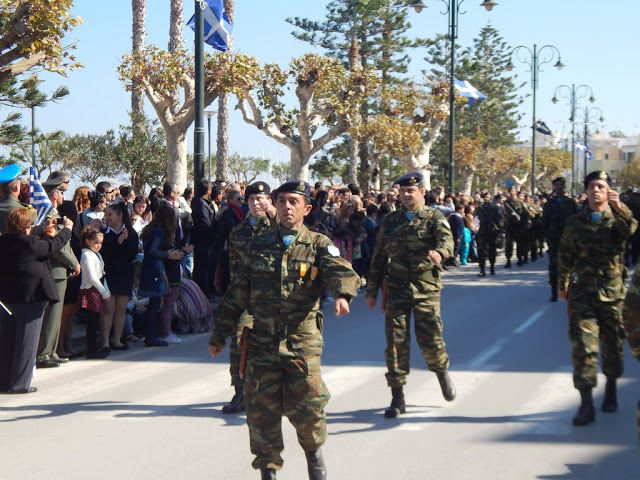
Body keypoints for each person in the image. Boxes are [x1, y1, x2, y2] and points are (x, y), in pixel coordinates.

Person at [208, 180, 360, 480]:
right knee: (260, 412)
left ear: (307, 208)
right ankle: (268, 469)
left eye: (293, 201)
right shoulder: (259, 244)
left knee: (309, 407)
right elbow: (238, 292)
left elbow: (341, 270)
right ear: (275, 206)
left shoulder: (318, 244)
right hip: (262, 342)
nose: (287, 207)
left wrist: (343, 294)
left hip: (302, 343)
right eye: (282, 201)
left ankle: (313, 456)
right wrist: (219, 333)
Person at [366, 172, 456, 419]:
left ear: (421, 193)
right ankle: (397, 396)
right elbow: (379, 257)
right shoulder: (391, 221)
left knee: (430, 339)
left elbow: (447, 241)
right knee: (395, 343)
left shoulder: (434, 218)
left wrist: (440, 252)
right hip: (396, 289)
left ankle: (441, 372)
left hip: (426, 289)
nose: (406, 195)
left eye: (411, 191)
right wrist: (372, 290)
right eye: (403, 191)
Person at [558, 171, 638, 426]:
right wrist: (562, 284)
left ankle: (612, 387)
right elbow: (565, 254)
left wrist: (620, 206)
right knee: (583, 347)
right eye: (592, 186)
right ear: (586, 191)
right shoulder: (575, 221)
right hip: (583, 294)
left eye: (601, 186)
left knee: (613, 346)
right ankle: (586, 404)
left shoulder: (618, 219)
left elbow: (630, 230)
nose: (596, 190)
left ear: (608, 191)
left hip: (614, 295)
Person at [0, 207, 73, 393]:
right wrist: (67, 229)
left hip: (9, 298)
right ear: (25, 227)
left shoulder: (4, 242)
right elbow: (53, 245)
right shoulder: (31, 244)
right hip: (31, 298)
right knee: (27, 341)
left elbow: (28, 236)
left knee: (7, 341)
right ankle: (20, 384)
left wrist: (43, 228)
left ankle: (5, 381)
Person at [221, 181, 278, 414]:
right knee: (238, 342)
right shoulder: (238, 231)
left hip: (272, 297)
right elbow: (233, 265)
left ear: (269, 201)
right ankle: (240, 391)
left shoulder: (278, 228)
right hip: (245, 296)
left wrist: (273, 214)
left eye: (261, 199)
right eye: (252, 199)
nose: (256, 204)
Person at [36, 177, 81, 368]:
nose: (63, 195)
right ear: (54, 194)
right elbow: (59, 247)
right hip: (55, 270)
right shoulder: (50, 216)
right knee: (52, 313)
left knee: (56, 314)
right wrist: (75, 264)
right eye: (61, 192)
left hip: (59, 271)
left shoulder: (53, 214)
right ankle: (44, 353)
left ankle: (51, 351)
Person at [138, 203, 185, 347]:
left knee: (155, 303)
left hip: (149, 267)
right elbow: (152, 251)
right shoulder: (159, 231)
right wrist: (168, 255)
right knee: (155, 303)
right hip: (155, 269)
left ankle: (150, 335)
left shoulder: (150, 229)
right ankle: (151, 336)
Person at [100, 202, 139, 351]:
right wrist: (118, 242)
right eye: (106, 214)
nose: (107, 217)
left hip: (124, 274)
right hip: (109, 275)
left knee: (121, 309)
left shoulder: (131, 233)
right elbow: (104, 253)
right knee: (109, 309)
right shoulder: (104, 233)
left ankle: (117, 340)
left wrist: (125, 240)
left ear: (120, 215)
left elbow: (132, 253)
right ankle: (105, 342)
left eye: (110, 214)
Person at [77, 226, 111, 359]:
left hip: (96, 289)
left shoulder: (94, 254)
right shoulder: (86, 255)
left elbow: (102, 273)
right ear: (87, 241)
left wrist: (104, 290)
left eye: (101, 243)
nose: (99, 246)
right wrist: (104, 292)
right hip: (91, 290)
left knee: (94, 320)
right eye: (96, 242)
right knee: (92, 321)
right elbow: (92, 277)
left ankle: (93, 349)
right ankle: (91, 351)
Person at [543, 177, 577, 302]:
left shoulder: (570, 202)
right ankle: (554, 291)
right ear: (554, 186)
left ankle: (568, 289)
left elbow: (575, 220)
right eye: (557, 184)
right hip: (554, 239)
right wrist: (548, 236)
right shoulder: (549, 204)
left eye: (561, 184)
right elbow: (545, 221)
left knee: (570, 265)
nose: (559, 186)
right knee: (554, 266)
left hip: (568, 238)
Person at [191, 179, 217, 298]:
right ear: (208, 190)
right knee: (202, 267)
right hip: (203, 239)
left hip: (204, 239)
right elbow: (205, 223)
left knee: (204, 266)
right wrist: (213, 235)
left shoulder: (202, 202)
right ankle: (202, 291)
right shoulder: (201, 203)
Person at [476, 192, 503, 277]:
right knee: (481, 251)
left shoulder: (494, 207)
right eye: (485, 197)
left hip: (492, 232)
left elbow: (499, 220)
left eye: (488, 196)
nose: (487, 198)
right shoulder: (480, 208)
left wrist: (499, 232)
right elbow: (478, 218)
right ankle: (482, 269)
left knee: (492, 250)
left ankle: (492, 267)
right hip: (483, 231)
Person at [503, 186, 530, 268]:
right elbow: (503, 213)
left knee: (520, 243)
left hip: (519, 226)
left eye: (513, 190)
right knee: (509, 243)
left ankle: (520, 259)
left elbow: (526, 213)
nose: (512, 192)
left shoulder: (520, 202)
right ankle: (508, 260)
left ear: (515, 192)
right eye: (510, 190)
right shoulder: (506, 203)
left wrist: (526, 223)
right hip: (510, 225)